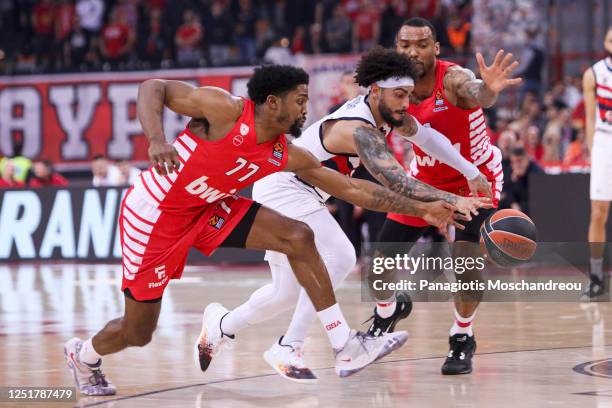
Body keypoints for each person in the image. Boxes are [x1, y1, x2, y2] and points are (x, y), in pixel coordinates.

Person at [63, 64, 464, 396]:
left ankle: (344, 345)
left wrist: (424, 209)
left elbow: (350, 188)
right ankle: (84, 356)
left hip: (207, 208)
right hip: (155, 216)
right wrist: (156, 139)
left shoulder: (284, 152)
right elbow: (154, 87)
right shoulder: (224, 110)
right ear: (273, 102)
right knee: (139, 331)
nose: (307, 109)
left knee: (299, 237)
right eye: (300, 101)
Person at [223, 47, 492, 383]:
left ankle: (221, 325)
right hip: (285, 188)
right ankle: (293, 345)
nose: (405, 103)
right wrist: (452, 198)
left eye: (409, 95)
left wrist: (469, 172)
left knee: (285, 294)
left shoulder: (390, 114)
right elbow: (398, 180)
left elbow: (427, 137)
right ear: (375, 91)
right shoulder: (358, 128)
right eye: (398, 95)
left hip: (304, 192)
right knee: (341, 255)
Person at [368, 17, 522, 376]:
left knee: (466, 265)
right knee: (378, 267)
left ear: (436, 48)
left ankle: (462, 336)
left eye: (421, 44)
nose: (413, 51)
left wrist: (489, 89)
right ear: (396, 49)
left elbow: (475, 91)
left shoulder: (452, 79)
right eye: (405, 44)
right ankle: (388, 312)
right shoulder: (391, 86)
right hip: (423, 181)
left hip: (475, 182)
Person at [581, 26, 612, 300]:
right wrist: (593, 150)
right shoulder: (593, 73)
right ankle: (596, 277)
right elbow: (591, 117)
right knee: (599, 211)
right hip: (605, 141)